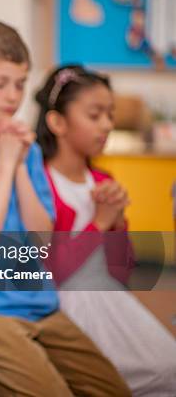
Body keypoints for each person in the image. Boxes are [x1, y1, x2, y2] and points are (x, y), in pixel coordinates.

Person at [0, 21, 130, 396]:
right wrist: (4, 163)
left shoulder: (28, 151)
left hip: (38, 302)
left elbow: (42, 241)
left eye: (19, 84)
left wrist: (18, 164)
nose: (12, 97)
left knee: (113, 390)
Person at [36, 64, 176, 396]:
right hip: (68, 310)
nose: (107, 125)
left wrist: (116, 223)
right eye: (95, 115)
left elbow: (121, 271)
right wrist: (99, 222)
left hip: (113, 301)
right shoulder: (41, 185)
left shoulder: (103, 182)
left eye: (110, 115)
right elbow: (53, 273)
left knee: (168, 366)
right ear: (57, 122)